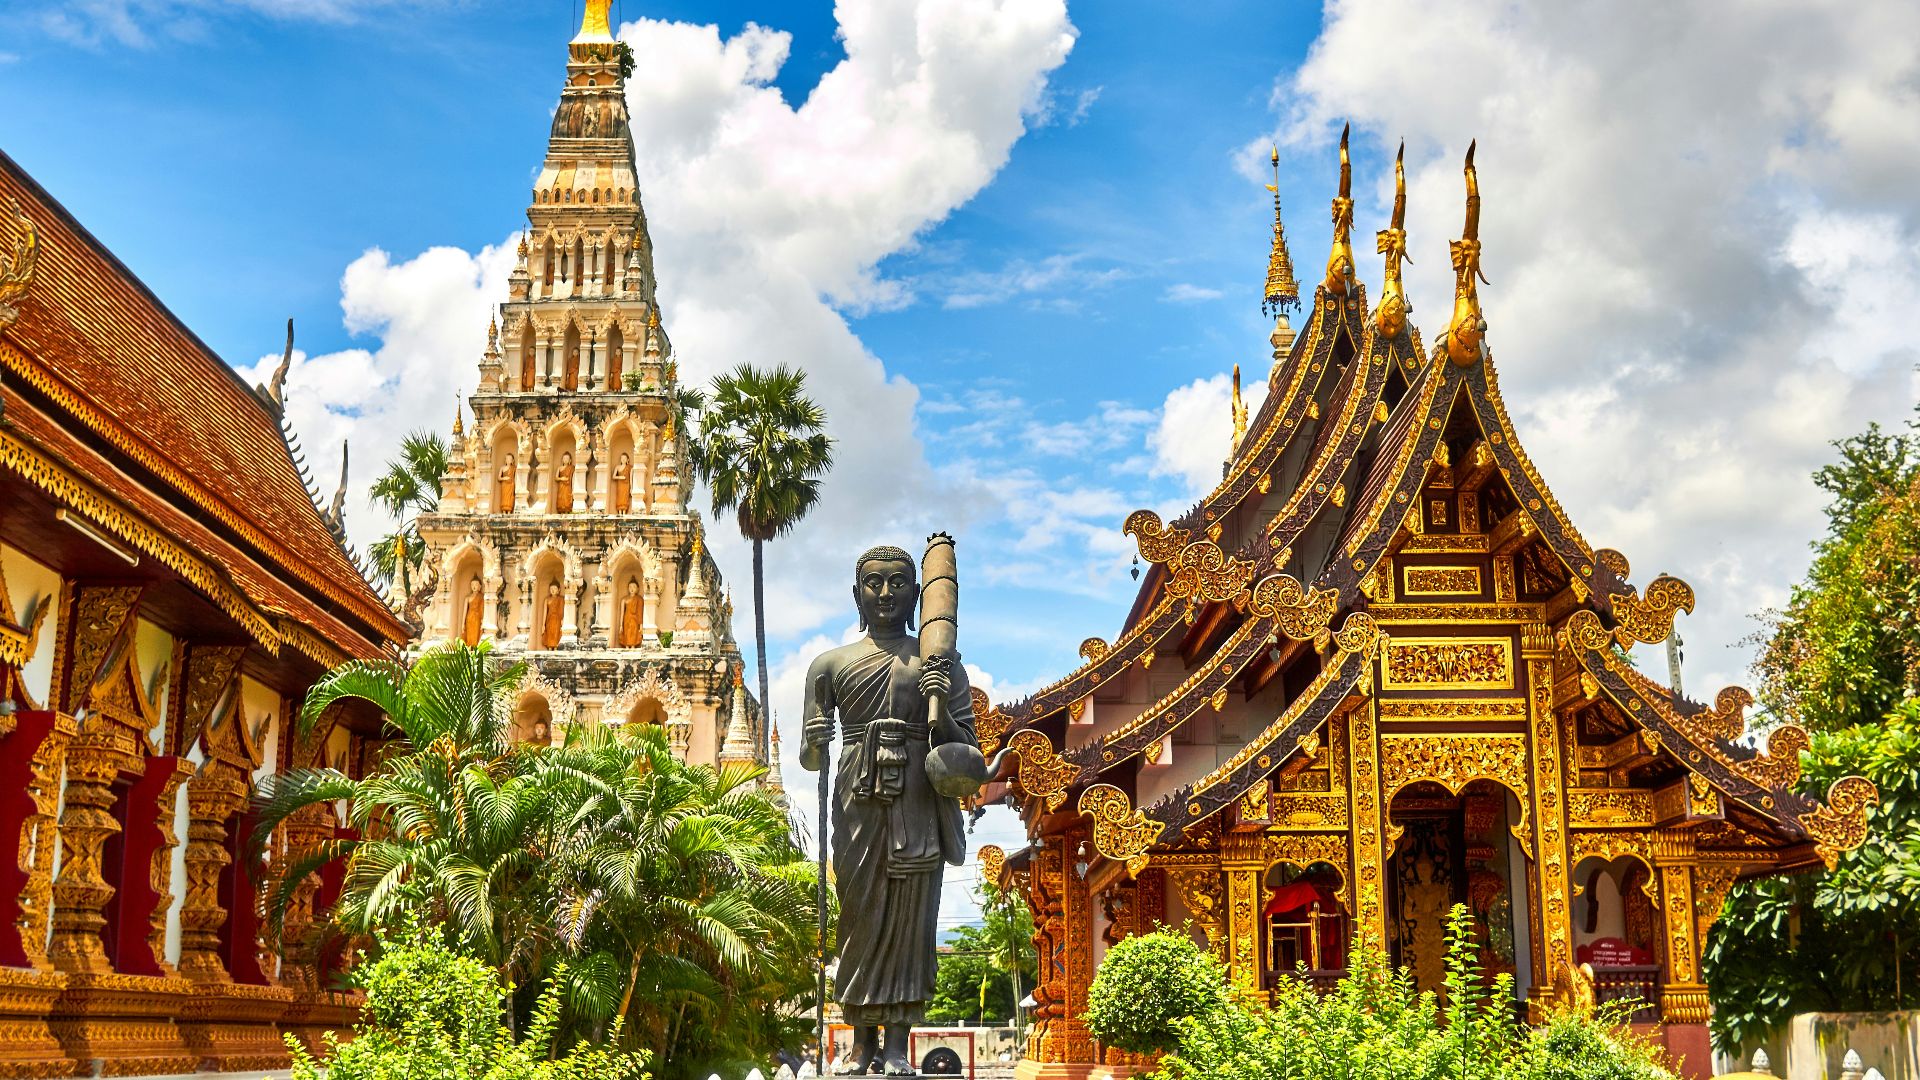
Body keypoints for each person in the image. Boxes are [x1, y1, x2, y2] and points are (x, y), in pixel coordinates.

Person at [802, 545, 978, 1076]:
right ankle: (860, 1045)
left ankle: (899, 1044)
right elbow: (813, 759)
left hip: (918, 799)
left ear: (917, 595)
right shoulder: (829, 665)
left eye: (899, 583)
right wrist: (815, 740)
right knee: (859, 917)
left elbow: (967, 754)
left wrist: (941, 707)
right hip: (858, 800)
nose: (885, 594)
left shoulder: (939, 667)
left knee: (910, 919)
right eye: (873, 584)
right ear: (856, 594)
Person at [542, 582, 565, 649]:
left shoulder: (561, 599)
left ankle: (556, 647)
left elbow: (562, 610)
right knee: (549, 633)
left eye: (555, 588)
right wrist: (543, 625)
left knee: (557, 633)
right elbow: (545, 612)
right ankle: (549, 647)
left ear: (559, 590)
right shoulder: (547, 599)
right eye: (551, 588)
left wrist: (563, 619)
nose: (553, 590)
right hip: (549, 619)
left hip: (558, 619)